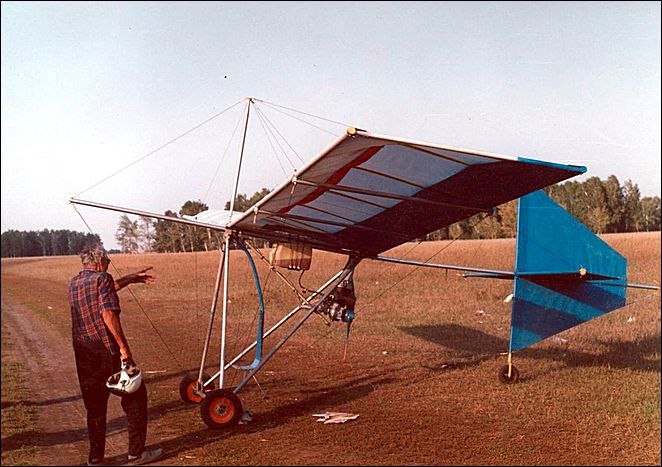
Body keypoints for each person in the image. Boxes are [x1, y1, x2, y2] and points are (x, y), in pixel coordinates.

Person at [67, 243, 164, 466]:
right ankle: (136, 454)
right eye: (108, 261)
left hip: (84, 355)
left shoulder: (74, 283)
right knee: (136, 398)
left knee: (95, 407)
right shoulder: (103, 278)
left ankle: (95, 458)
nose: (109, 265)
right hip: (106, 351)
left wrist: (129, 279)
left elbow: (102, 292)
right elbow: (108, 312)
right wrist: (123, 349)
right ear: (100, 261)